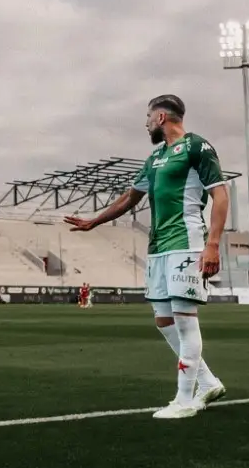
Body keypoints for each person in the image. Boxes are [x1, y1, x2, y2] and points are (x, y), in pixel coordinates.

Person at [67, 93, 228, 420]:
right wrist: (95, 221)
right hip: (158, 246)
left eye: (147, 117)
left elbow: (220, 195)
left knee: (184, 321)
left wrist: (213, 244)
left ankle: (184, 400)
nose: (145, 123)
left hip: (187, 241)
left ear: (161, 118)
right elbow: (130, 197)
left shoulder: (198, 147)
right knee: (163, 320)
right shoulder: (155, 157)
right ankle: (207, 382)